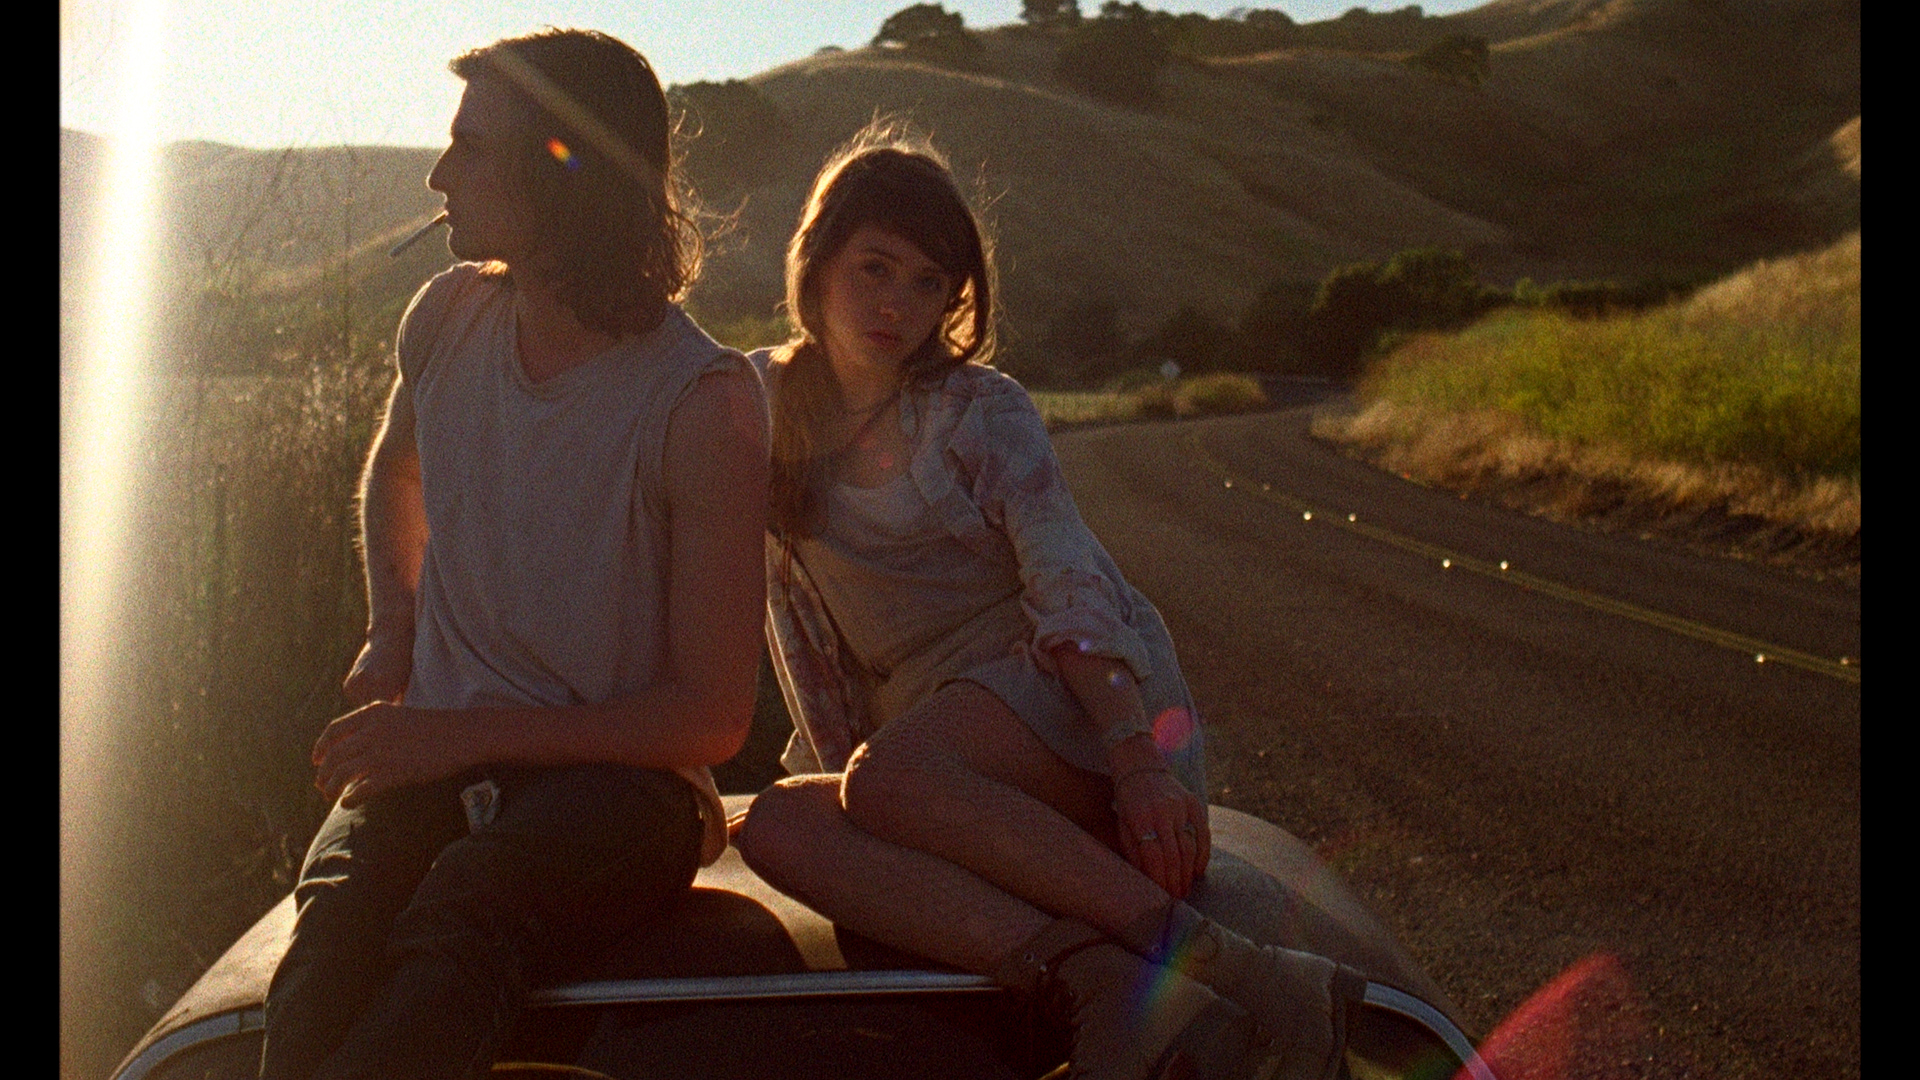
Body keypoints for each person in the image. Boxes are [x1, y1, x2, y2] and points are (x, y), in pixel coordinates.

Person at [734, 125, 1366, 1080]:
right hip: (931, 758)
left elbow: (1067, 580)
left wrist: (1137, 760)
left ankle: (1250, 973)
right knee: (777, 822)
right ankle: (1096, 980)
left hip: (1076, 707)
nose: (896, 303)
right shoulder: (757, 401)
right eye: (874, 267)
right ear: (815, 263)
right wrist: (867, 837)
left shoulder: (980, 409)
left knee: (889, 781)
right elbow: (805, 650)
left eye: (927, 283)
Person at [257, 29, 770, 1080]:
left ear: (558, 171)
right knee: (324, 951)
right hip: (440, 750)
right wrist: (393, 630)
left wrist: (454, 737)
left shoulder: (701, 401)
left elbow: (713, 715)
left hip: (629, 793)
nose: (439, 175)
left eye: (468, 148)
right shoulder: (446, 318)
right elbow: (397, 472)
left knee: (464, 916)